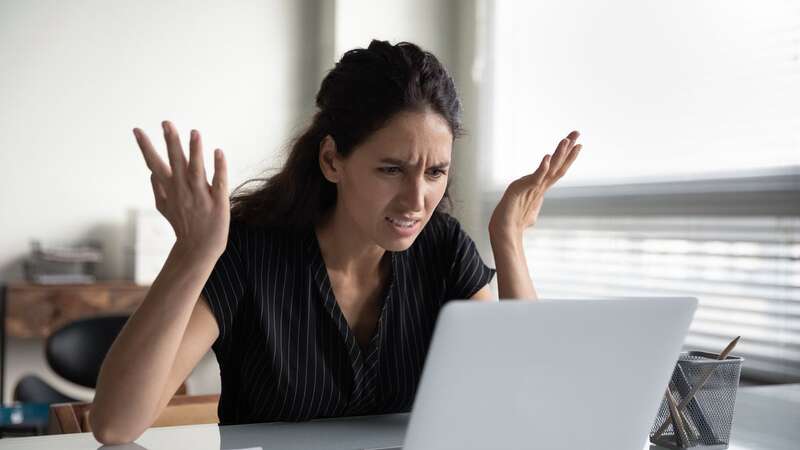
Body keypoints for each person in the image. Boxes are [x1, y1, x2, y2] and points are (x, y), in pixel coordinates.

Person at [90, 40, 581, 445]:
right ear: (332, 161)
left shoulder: (442, 247)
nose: (417, 199)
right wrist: (194, 252)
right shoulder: (250, 251)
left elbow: (530, 402)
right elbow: (116, 426)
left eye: (435, 173)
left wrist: (508, 238)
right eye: (392, 169)